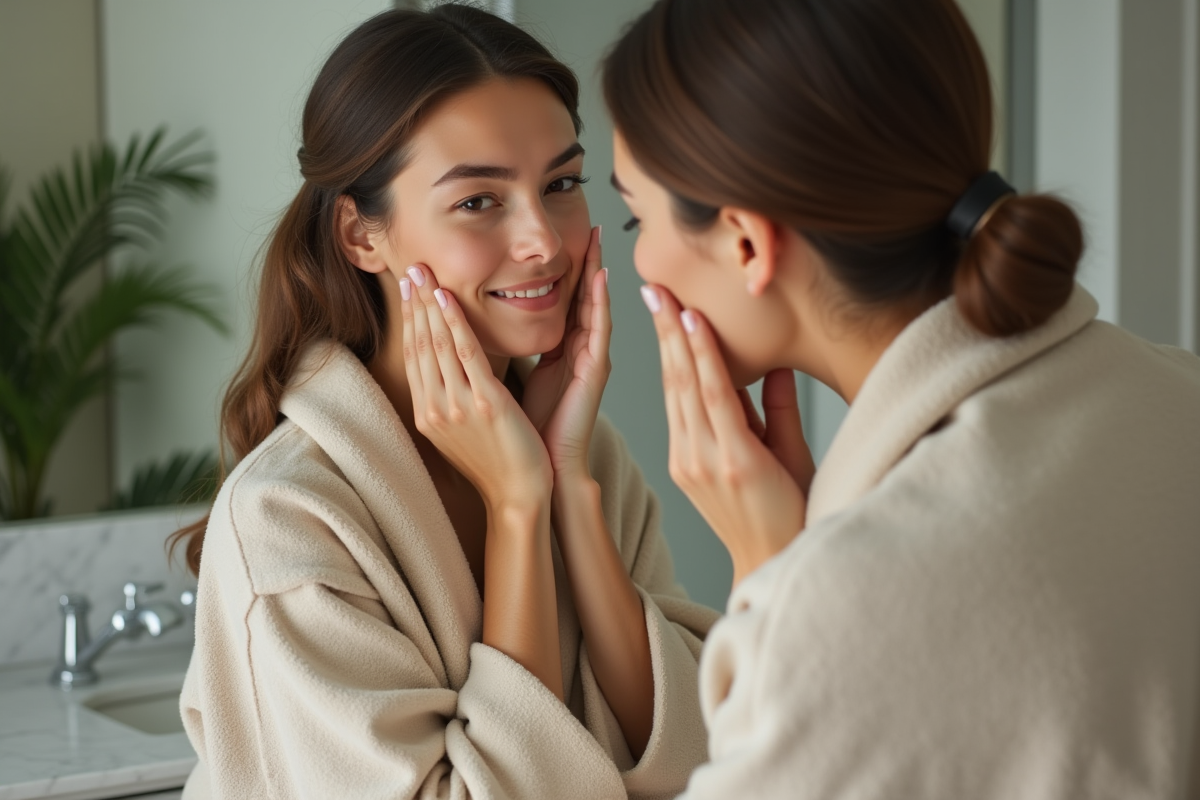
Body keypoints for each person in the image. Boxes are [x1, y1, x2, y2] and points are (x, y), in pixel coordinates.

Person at [602, 0, 1200, 797]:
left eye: (632, 216)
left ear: (746, 242)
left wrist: (773, 577)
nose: (638, 262)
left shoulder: (843, 611)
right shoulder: (1178, 390)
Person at [173, 6, 716, 799]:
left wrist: (562, 480)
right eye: (478, 201)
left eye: (561, 184)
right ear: (364, 237)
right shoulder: (287, 519)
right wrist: (519, 511)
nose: (543, 239)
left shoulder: (590, 457)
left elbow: (694, 754)